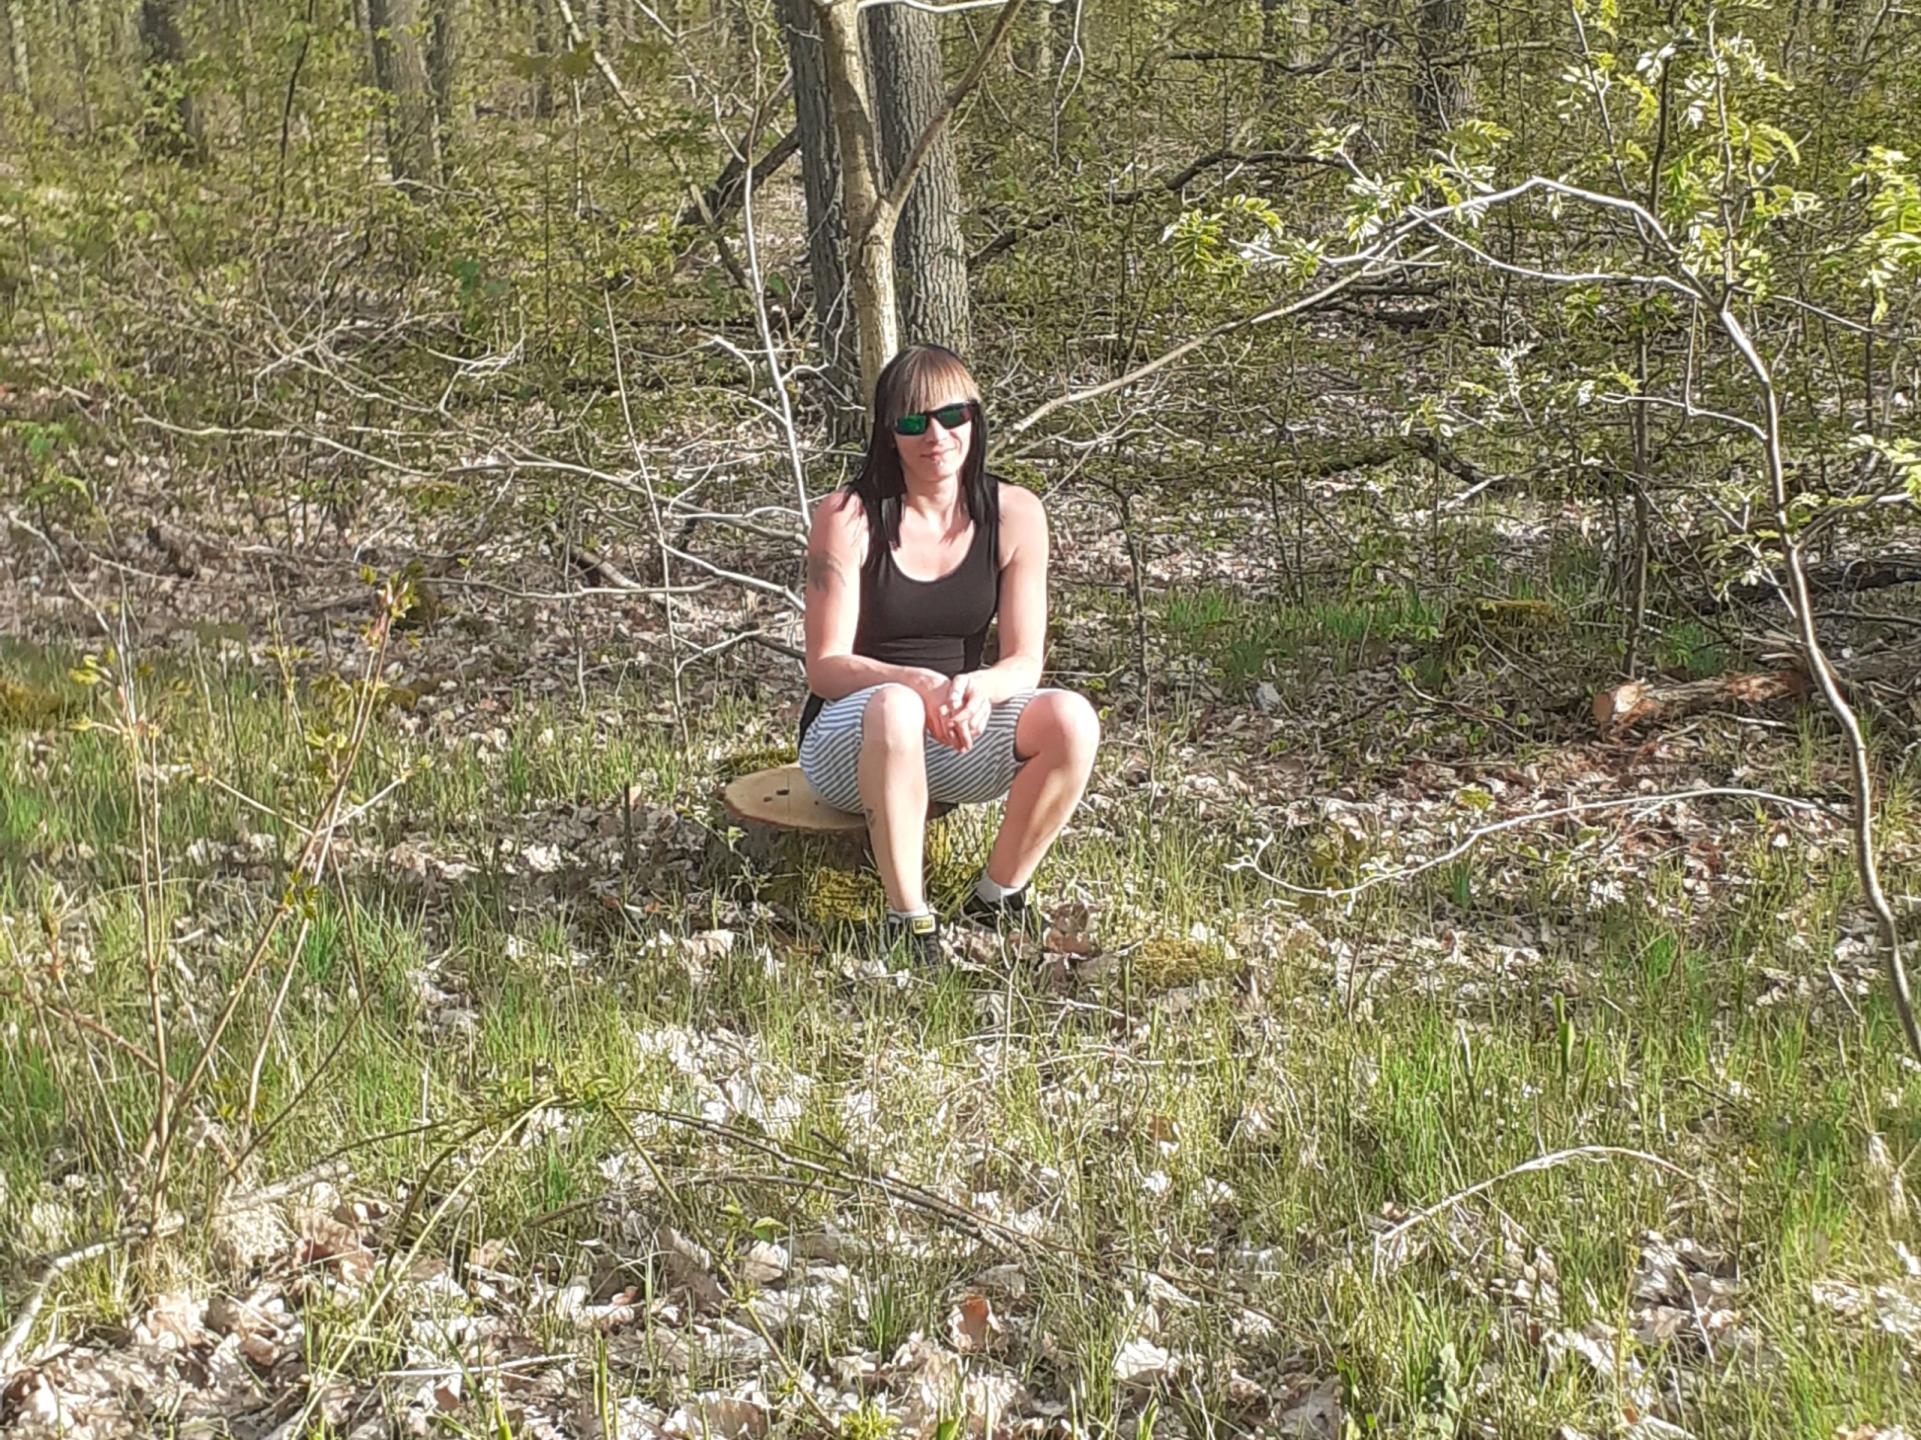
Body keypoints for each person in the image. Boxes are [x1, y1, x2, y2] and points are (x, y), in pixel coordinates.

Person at [798, 344, 1100, 963]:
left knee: (1072, 719)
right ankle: (908, 920)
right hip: (852, 740)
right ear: (889, 433)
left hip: (957, 731)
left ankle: (998, 895)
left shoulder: (1016, 514)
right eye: (914, 421)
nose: (936, 436)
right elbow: (824, 668)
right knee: (896, 707)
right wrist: (919, 683)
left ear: (974, 419)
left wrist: (978, 688)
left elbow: (1024, 662)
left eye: (952, 416)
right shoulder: (848, 516)